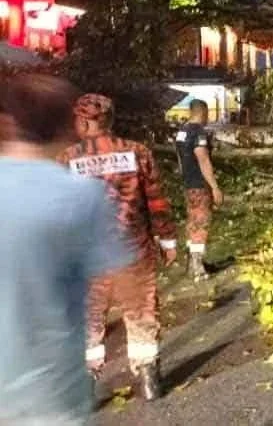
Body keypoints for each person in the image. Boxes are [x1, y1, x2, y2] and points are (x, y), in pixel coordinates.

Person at [0, 74, 133, 425]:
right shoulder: (82, 190)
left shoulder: (71, 164)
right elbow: (153, 201)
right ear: (67, 124)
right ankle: (145, 370)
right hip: (51, 393)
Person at [59, 94, 177, 401]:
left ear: (84, 122)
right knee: (142, 313)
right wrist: (167, 240)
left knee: (89, 319)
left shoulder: (66, 159)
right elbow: (156, 201)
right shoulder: (138, 152)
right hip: (133, 252)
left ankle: (85, 384)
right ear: (110, 120)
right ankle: (149, 378)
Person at [174, 99, 223, 281]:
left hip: (188, 184)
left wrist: (184, 177)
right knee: (201, 224)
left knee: (193, 222)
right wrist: (214, 187)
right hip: (200, 185)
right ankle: (197, 268)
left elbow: (179, 158)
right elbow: (203, 159)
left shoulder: (182, 132)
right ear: (202, 112)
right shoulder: (198, 132)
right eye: (207, 113)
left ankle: (193, 264)